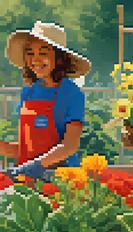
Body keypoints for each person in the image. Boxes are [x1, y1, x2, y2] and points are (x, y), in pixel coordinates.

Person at [0, 21, 90, 180]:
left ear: (59, 58)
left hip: (62, 180)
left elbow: (70, 147)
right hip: (29, 180)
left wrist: (36, 166)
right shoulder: (28, 91)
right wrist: (4, 148)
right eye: (30, 52)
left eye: (43, 53)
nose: (35, 60)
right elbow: (27, 148)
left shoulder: (71, 93)